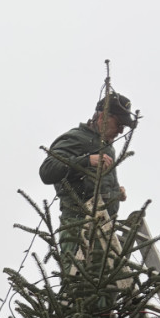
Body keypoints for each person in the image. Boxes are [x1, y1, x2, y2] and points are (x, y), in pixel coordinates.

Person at [39, 90, 136, 262]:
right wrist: (85, 161)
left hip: (105, 231)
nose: (121, 131)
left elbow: (96, 185)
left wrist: (116, 193)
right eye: (119, 124)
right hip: (78, 232)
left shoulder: (107, 148)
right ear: (103, 117)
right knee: (77, 284)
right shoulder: (77, 138)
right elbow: (47, 171)